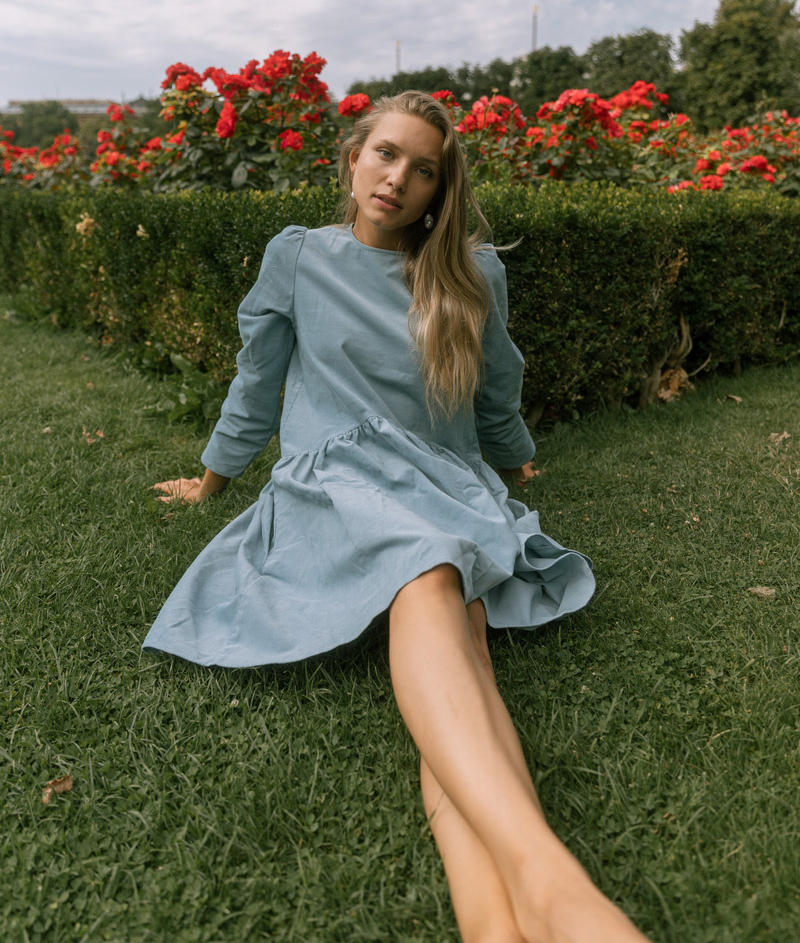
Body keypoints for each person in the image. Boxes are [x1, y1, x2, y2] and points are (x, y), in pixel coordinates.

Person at [145, 91, 650, 943]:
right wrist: (213, 479)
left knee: (467, 646)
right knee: (431, 574)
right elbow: (256, 381)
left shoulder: (469, 271)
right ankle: (554, 885)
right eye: (385, 154)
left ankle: (495, 920)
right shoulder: (300, 256)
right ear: (352, 158)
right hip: (337, 478)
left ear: (438, 189)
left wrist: (514, 456)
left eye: (422, 169)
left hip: (445, 481)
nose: (398, 178)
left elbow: (496, 387)